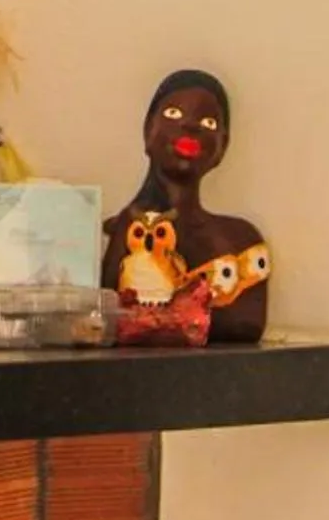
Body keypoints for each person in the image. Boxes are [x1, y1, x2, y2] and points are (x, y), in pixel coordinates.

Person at [97, 69, 272, 345]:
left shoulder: (239, 240)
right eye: (173, 114)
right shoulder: (113, 234)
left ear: (222, 147)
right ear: (147, 130)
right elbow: (103, 322)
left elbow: (245, 325)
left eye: (209, 122)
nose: (191, 127)